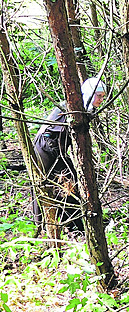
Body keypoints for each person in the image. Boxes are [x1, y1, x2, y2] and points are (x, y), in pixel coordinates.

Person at [32, 77, 107, 231]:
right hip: (45, 145)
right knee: (45, 183)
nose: (101, 100)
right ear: (89, 94)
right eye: (98, 95)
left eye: (103, 96)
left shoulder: (84, 108)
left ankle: (73, 223)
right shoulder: (73, 106)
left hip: (56, 148)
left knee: (70, 183)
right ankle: (41, 226)